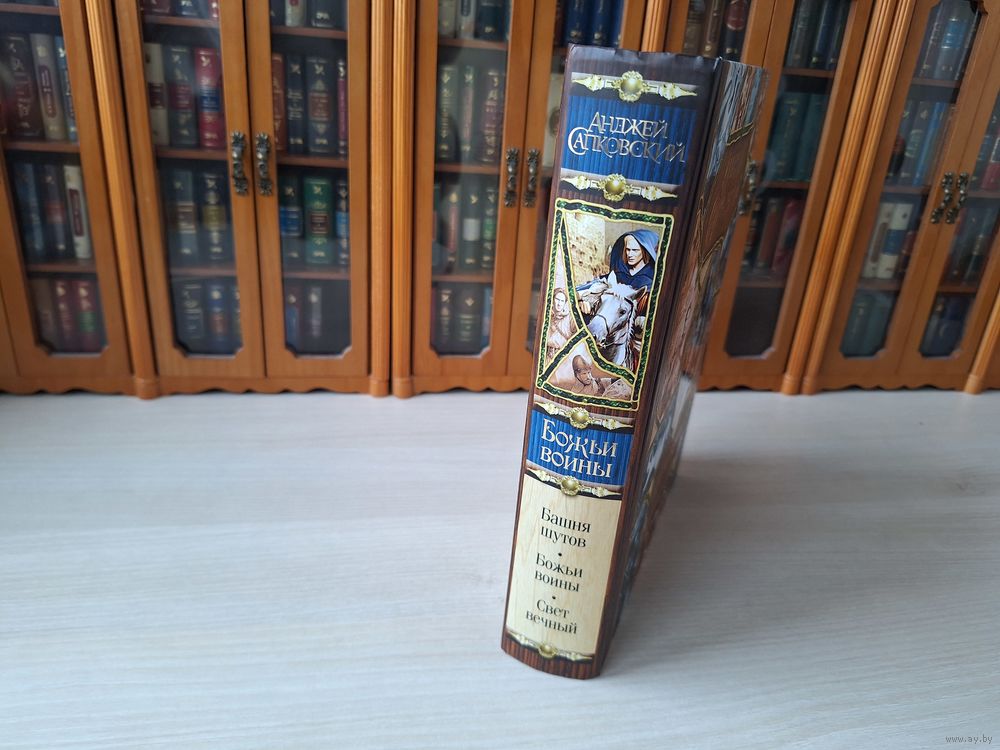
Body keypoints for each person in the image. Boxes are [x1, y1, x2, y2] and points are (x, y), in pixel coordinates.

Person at [546, 288, 574, 360]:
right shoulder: (547, 316)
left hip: (563, 358)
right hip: (548, 356)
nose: (559, 304)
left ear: (565, 303)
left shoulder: (570, 317)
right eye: (557, 299)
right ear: (553, 300)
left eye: (562, 301)